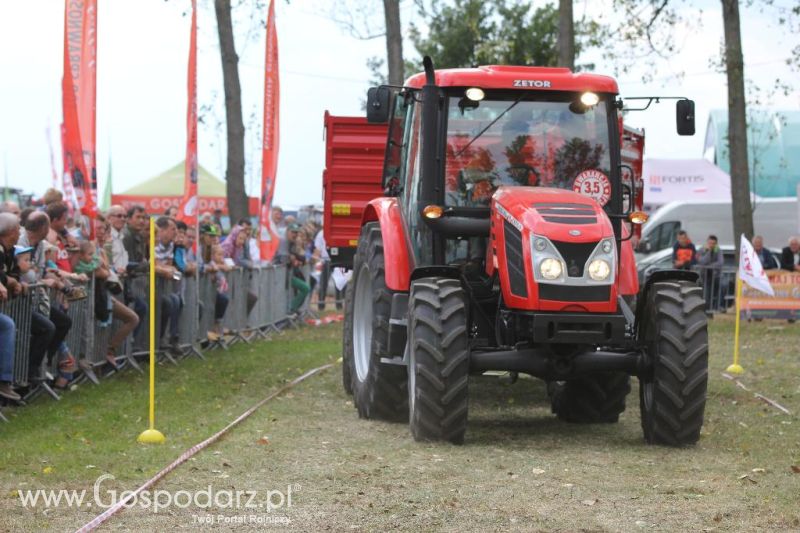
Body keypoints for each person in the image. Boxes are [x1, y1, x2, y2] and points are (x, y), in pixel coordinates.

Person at [154, 216, 182, 352]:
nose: (176, 232)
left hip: (163, 287)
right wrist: (166, 269)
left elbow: (171, 268)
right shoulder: (155, 242)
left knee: (178, 300)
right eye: (173, 229)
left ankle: (173, 338)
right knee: (168, 303)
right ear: (163, 230)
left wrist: (167, 270)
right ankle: (159, 338)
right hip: (150, 287)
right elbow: (157, 265)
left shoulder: (171, 245)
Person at [204, 244, 231, 340]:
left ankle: (218, 326)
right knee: (223, 300)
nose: (221, 257)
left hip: (220, 292)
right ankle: (215, 326)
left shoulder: (220, 265)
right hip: (211, 294)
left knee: (224, 300)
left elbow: (228, 267)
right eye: (219, 255)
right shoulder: (211, 265)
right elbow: (211, 271)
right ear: (212, 255)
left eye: (222, 255)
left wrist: (222, 264)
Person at [696, 235, 724, 312]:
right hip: (704, 275)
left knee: (722, 287)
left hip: (716, 275)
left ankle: (716, 307)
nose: (711, 245)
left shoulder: (718, 250)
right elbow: (702, 261)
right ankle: (706, 309)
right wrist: (708, 252)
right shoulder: (702, 250)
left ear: (716, 244)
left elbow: (720, 262)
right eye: (710, 243)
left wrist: (709, 266)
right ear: (707, 242)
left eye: (713, 243)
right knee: (707, 292)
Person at [123, 204, 149, 270]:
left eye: (143, 218)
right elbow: (129, 263)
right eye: (138, 217)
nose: (141, 221)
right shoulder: (126, 235)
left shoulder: (140, 236)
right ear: (128, 219)